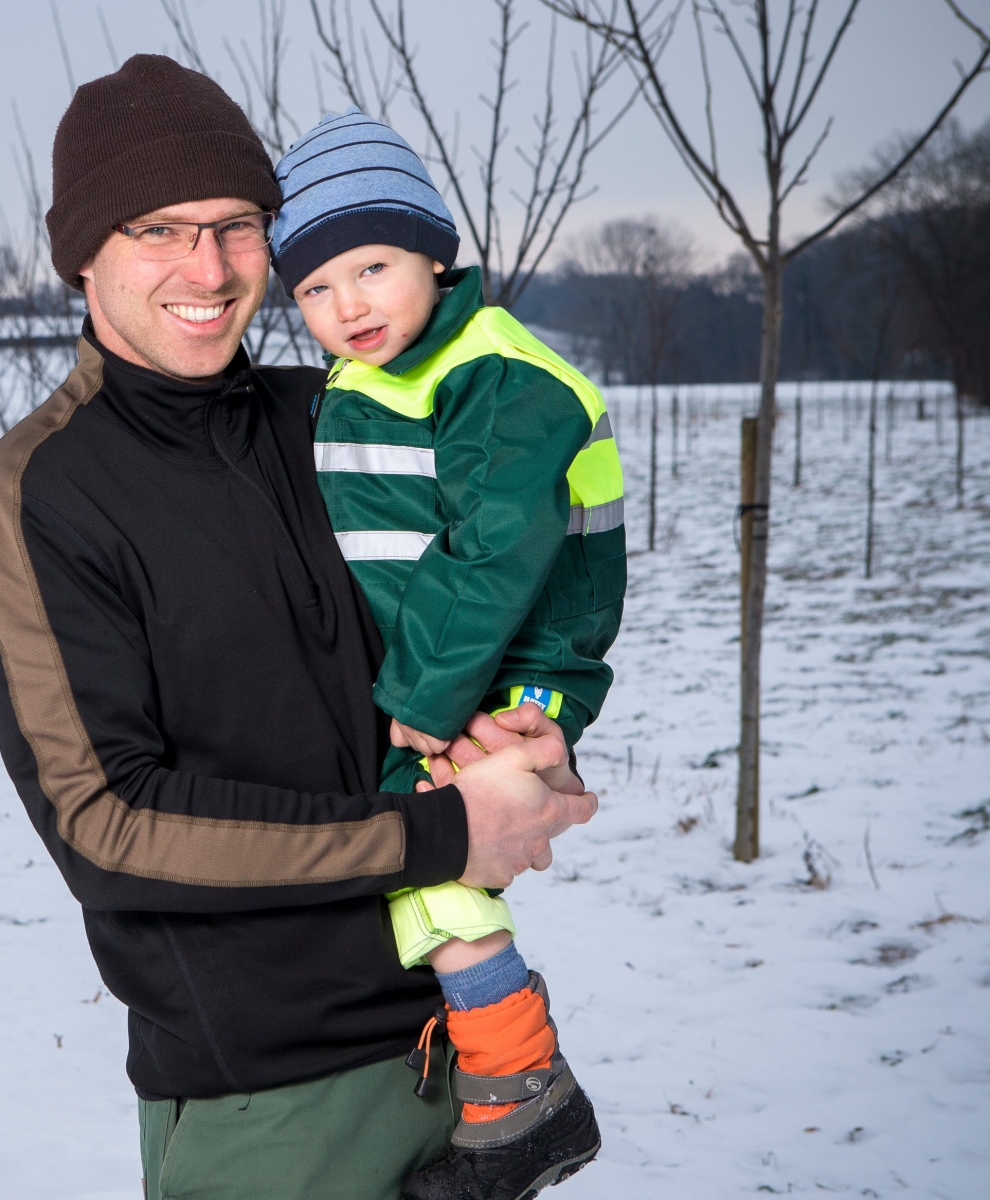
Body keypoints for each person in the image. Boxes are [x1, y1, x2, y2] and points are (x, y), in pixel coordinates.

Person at [0, 55, 597, 1200]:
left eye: (239, 225)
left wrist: (526, 736)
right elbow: (107, 827)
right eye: (158, 228)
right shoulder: (41, 493)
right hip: (267, 1104)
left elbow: (495, 596)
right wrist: (439, 839)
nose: (207, 268)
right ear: (83, 256)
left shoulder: (341, 417)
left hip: (465, 1052)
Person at [269, 109, 627, 1198]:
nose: (348, 307)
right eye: (317, 290)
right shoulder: (382, 372)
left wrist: (422, 699)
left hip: (514, 659)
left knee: (425, 829)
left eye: (372, 267)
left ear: (435, 249)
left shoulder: (494, 375)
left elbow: (491, 551)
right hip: (458, 659)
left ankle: (522, 1089)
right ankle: (496, 1069)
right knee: (410, 846)